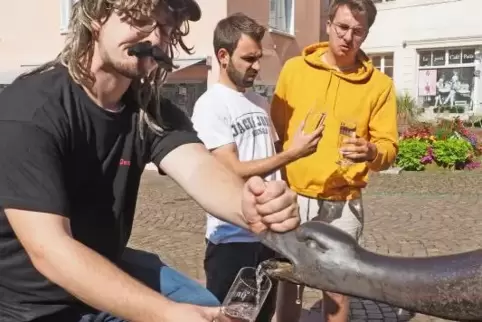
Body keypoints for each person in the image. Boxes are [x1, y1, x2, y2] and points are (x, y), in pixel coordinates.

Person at [0, 1, 301, 322]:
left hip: (106, 260)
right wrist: (166, 313)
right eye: (142, 21)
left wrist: (250, 207)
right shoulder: (30, 112)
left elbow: (199, 168)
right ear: (97, 17)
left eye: (167, 29)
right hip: (30, 303)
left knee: (201, 299)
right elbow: (50, 251)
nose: (156, 39)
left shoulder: (147, 110)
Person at [190, 13, 325, 322]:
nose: (256, 65)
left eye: (258, 57)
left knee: (263, 315)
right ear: (223, 56)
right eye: (248, 58)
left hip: (268, 236)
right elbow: (230, 170)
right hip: (232, 239)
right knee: (233, 317)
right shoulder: (211, 105)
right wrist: (292, 154)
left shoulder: (259, 102)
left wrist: (296, 151)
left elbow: (269, 156)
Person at [270, 0, 399, 321]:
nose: (347, 37)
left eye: (357, 31)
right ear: (328, 24)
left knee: (338, 292)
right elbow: (280, 129)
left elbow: (388, 149)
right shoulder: (294, 70)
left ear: (365, 35)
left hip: (344, 204)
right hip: (293, 199)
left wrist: (372, 152)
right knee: (289, 285)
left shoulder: (380, 86)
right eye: (342, 27)